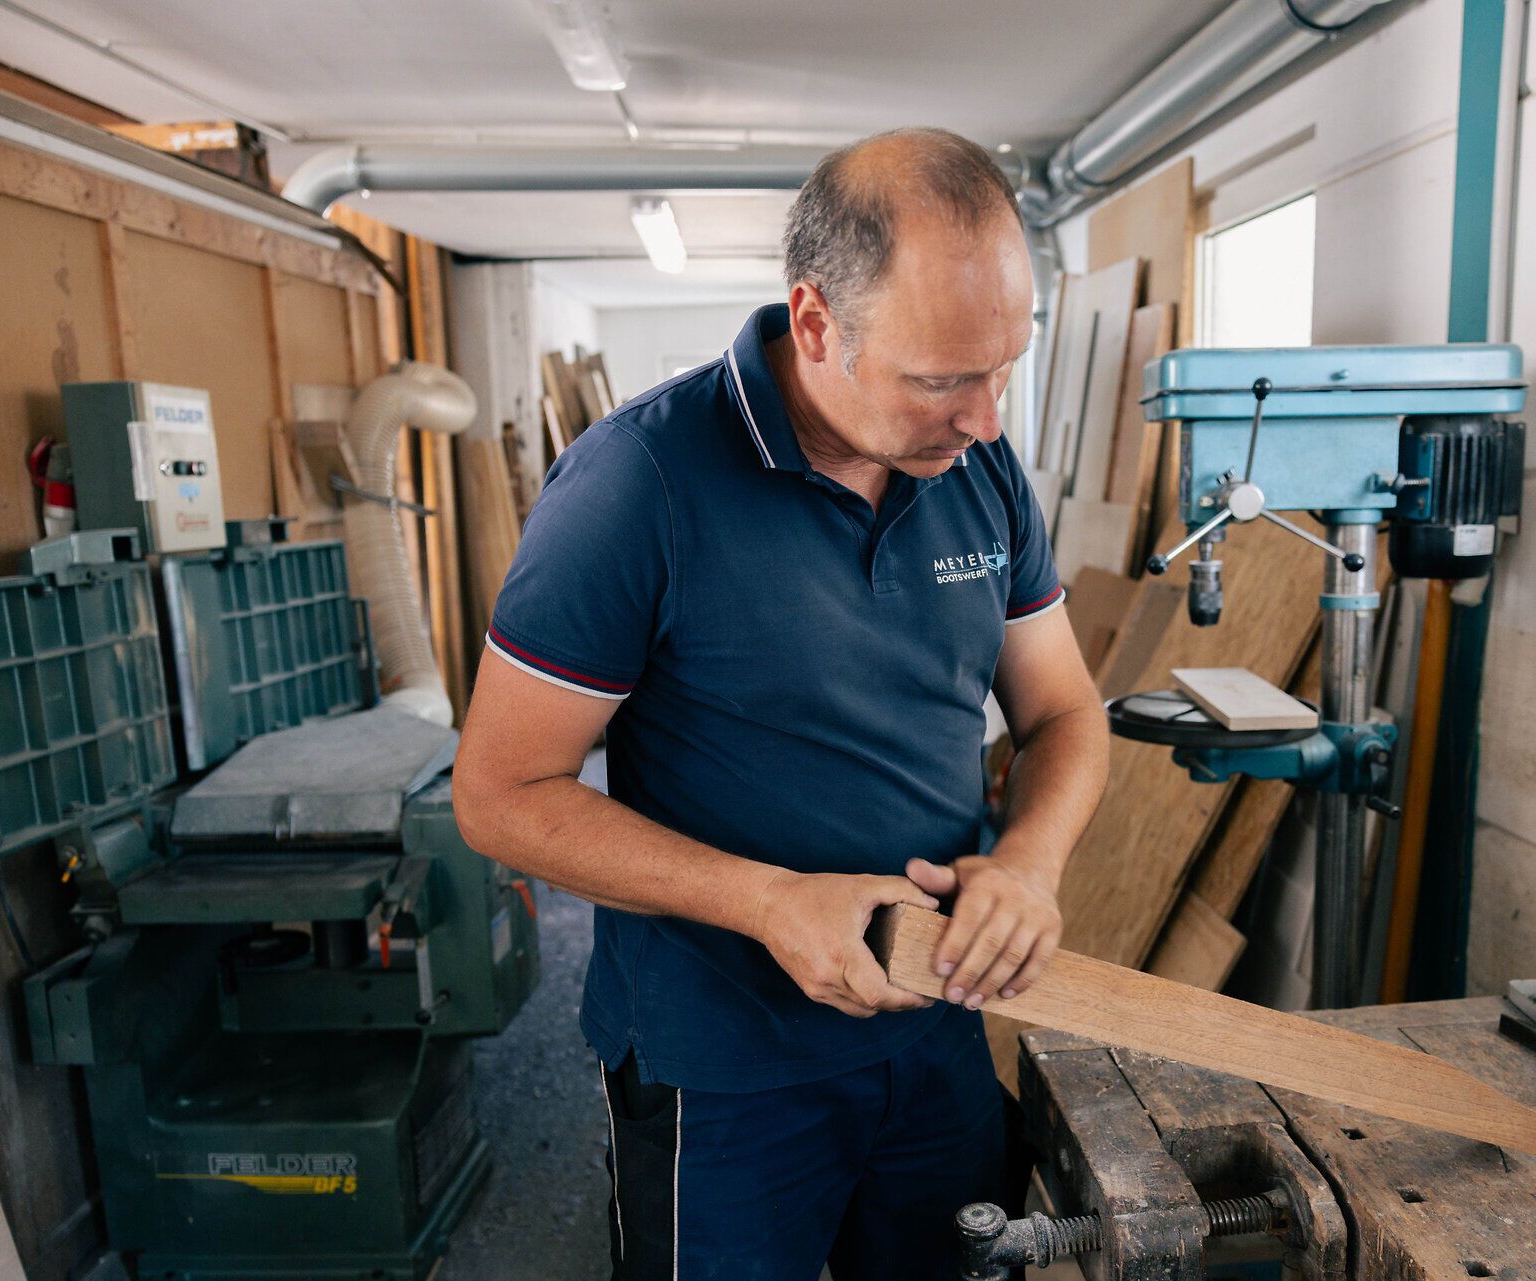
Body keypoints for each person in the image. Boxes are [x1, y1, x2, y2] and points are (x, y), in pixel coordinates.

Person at [452, 126, 1110, 1281]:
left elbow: (1064, 713)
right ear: (817, 324)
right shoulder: (637, 486)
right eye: (944, 378)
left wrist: (1031, 864)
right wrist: (767, 903)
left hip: (936, 1030)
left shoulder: (980, 470)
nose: (987, 419)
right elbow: (501, 796)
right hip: (725, 1069)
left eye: (1005, 368)